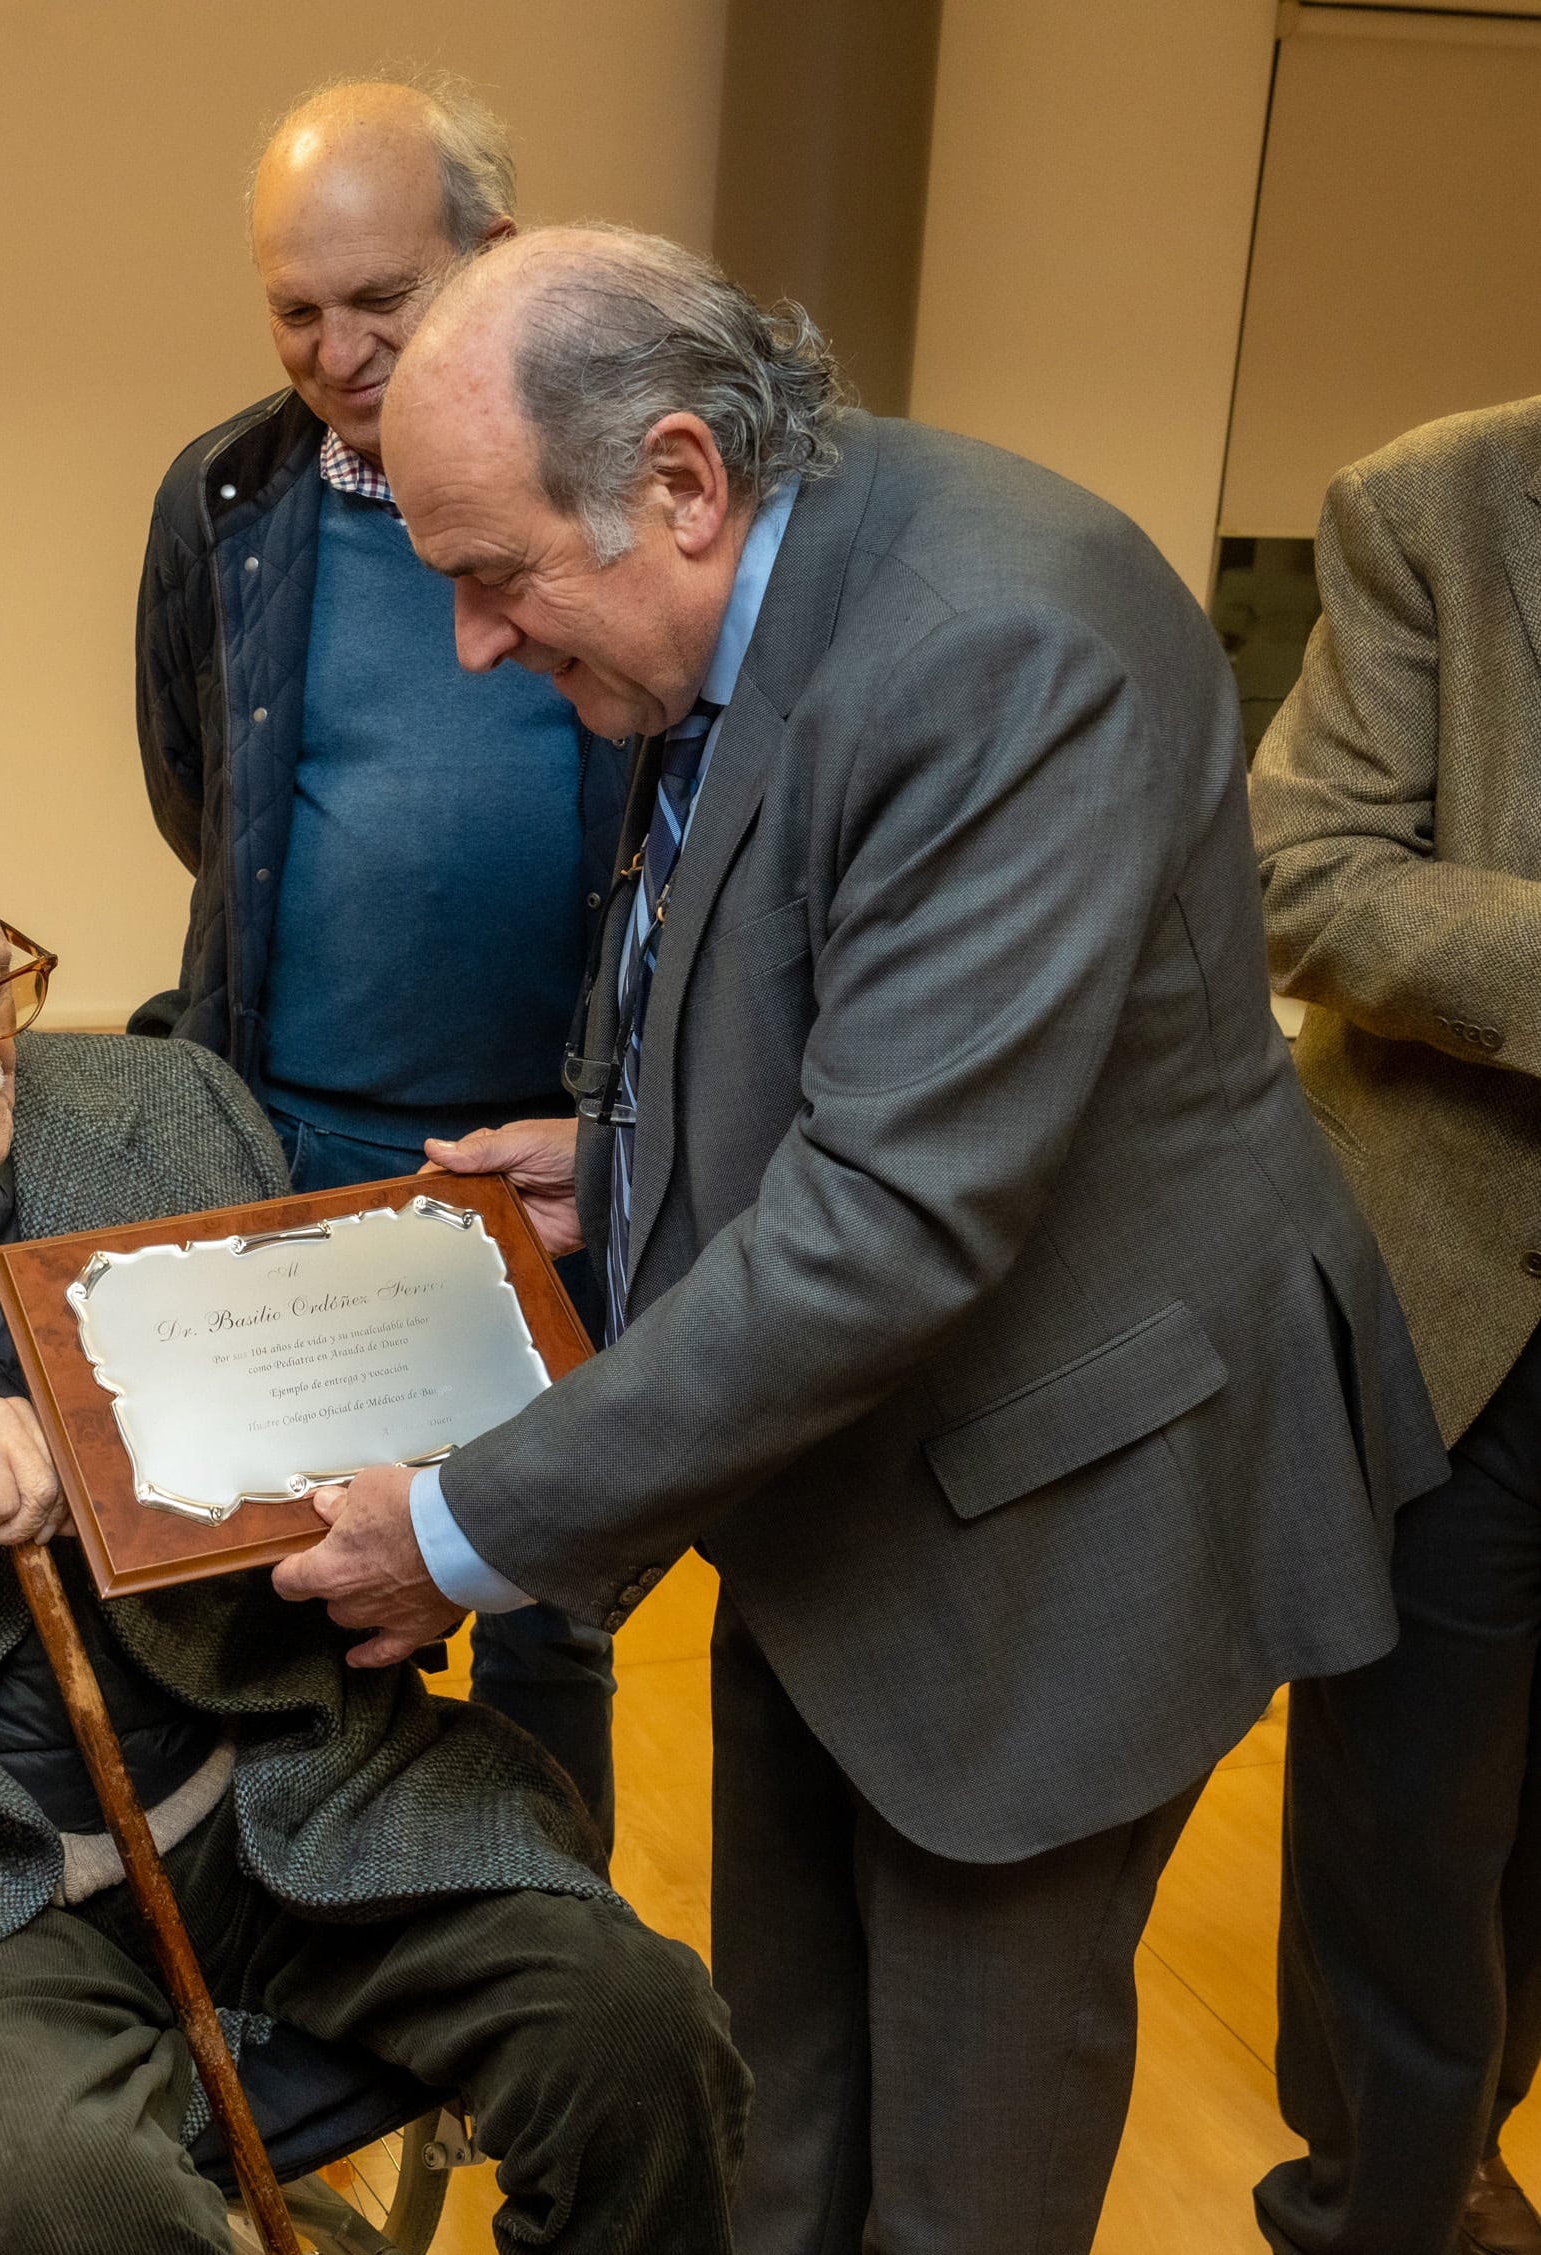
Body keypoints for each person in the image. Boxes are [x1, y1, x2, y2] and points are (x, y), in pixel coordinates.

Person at [270, 225, 1442, 2254]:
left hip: (1075, 1515)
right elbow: (795, 998)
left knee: (961, 2178)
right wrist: (619, 1163)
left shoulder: (999, 641)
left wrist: (459, 1529)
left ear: (680, 482)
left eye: (491, 577)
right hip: (851, 1491)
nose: (469, 642)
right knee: (787, 2105)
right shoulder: (743, 598)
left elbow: (892, 1217)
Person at [0, 796, 743, 2255]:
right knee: (72, 2191)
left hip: (269, 1780)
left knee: (638, 2028)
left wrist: (423, 1313)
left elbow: (324, 1420)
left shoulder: (167, 1112)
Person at [129, 72, 628, 1843]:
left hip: (559, 1165)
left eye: (380, 302)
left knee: (546, 1600)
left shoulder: (620, 488)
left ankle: (543, 1985)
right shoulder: (224, 499)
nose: (335, 350)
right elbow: (204, 798)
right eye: (294, 308)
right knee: (304, 1594)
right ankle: (342, 1950)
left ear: (494, 255)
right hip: (302, 1148)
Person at [1249, 397, 1541, 2255]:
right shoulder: (1429, 510)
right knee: (1409, 1810)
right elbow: (1307, 874)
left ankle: (1463, 2140)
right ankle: (1380, 2199)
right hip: (1464, 1295)